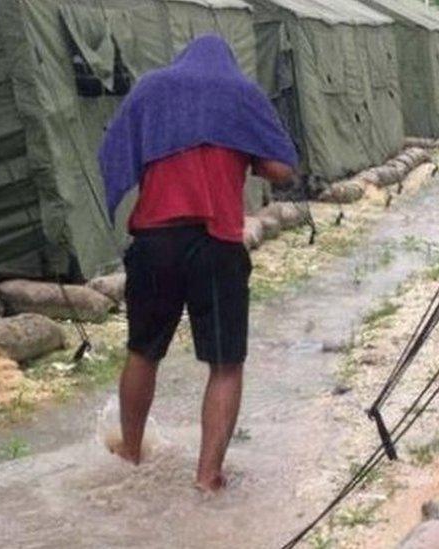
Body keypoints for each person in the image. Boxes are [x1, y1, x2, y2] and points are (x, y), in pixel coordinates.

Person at [98, 35, 298, 491]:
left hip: (155, 241)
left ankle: (130, 454)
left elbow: (114, 150)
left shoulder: (152, 89)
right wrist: (243, 152)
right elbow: (283, 168)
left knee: (143, 352)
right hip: (216, 244)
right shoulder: (242, 94)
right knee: (225, 364)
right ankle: (207, 477)